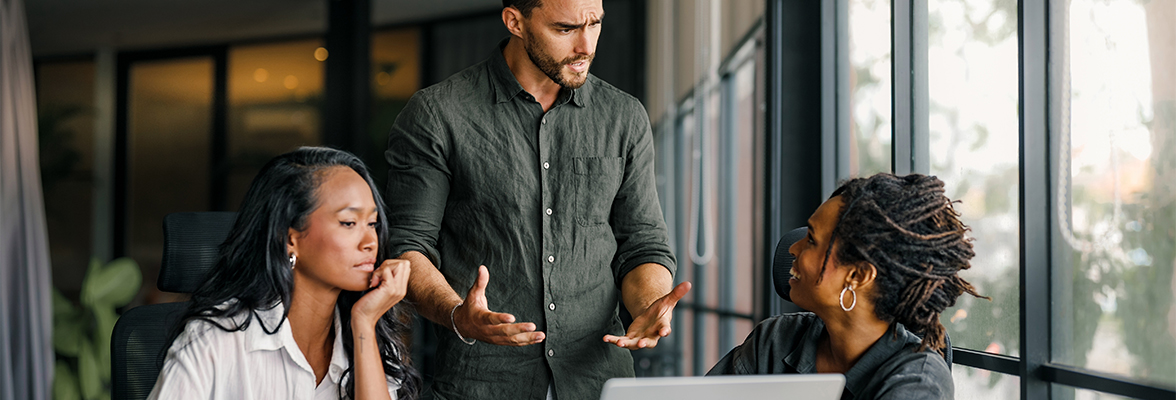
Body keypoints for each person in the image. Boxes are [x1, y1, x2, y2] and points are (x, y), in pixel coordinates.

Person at [384, 0, 690, 398]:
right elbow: (409, 247)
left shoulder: (624, 116)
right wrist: (459, 315)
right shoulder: (437, 114)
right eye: (565, 29)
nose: (586, 46)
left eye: (594, 24)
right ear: (515, 21)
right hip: (481, 384)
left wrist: (649, 303)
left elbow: (642, 244)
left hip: (596, 382)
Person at [148, 147, 421, 400]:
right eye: (348, 223)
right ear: (290, 239)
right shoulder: (216, 341)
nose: (370, 241)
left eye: (372, 223)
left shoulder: (371, 339)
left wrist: (363, 322)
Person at [708, 173, 987, 399]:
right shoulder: (776, 339)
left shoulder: (919, 381)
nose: (793, 248)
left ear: (858, 276)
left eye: (812, 240)